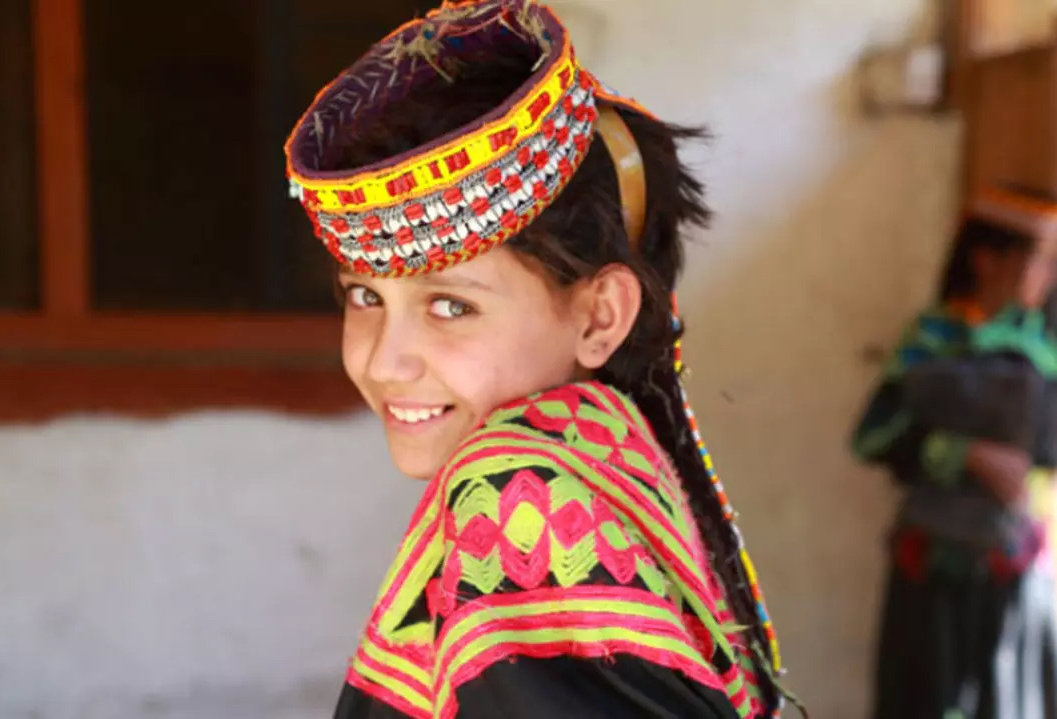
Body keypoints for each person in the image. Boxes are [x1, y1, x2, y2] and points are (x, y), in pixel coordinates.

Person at [284, 1, 795, 716]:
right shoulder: (604, 442)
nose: (385, 362)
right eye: (365, 296)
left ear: (599, 316)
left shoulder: (518, 497)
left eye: (450, 306)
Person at [853, 187, 1057, 718]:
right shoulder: (932, 338)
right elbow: (873, 437)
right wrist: (966, 454)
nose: (1049, 275)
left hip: (1015, 566)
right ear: (986, 259)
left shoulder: (1045, 347)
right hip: (931, 565)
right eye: (1039, 258)